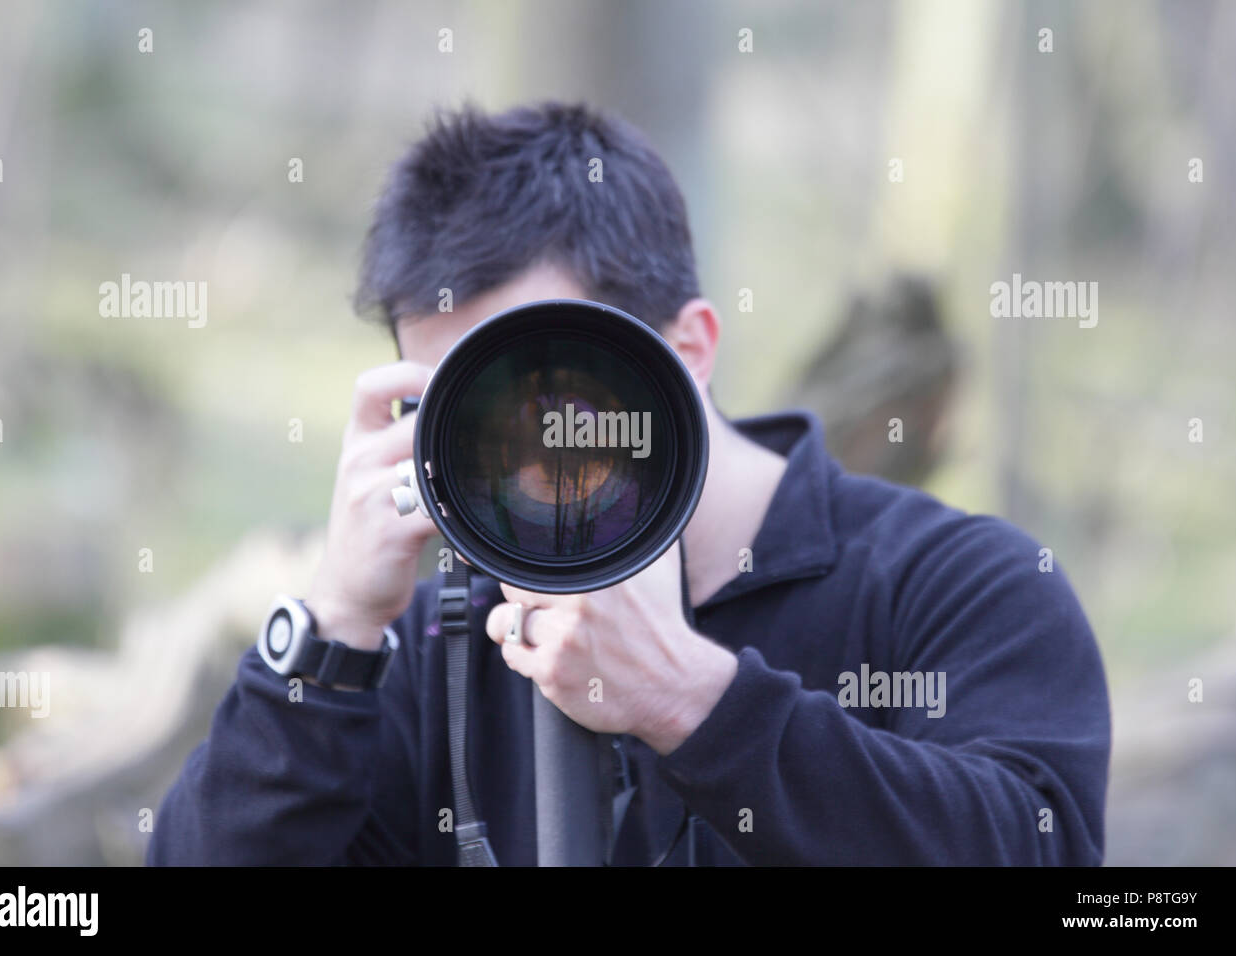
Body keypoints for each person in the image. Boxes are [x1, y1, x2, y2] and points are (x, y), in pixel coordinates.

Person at [147, 100, 1110, 866]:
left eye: (545, 378)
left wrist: (695, 703)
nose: (515, 440)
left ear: (686, 351)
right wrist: (329, 634)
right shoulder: (435, 638)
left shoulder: (957, 584)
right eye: (457, 404)